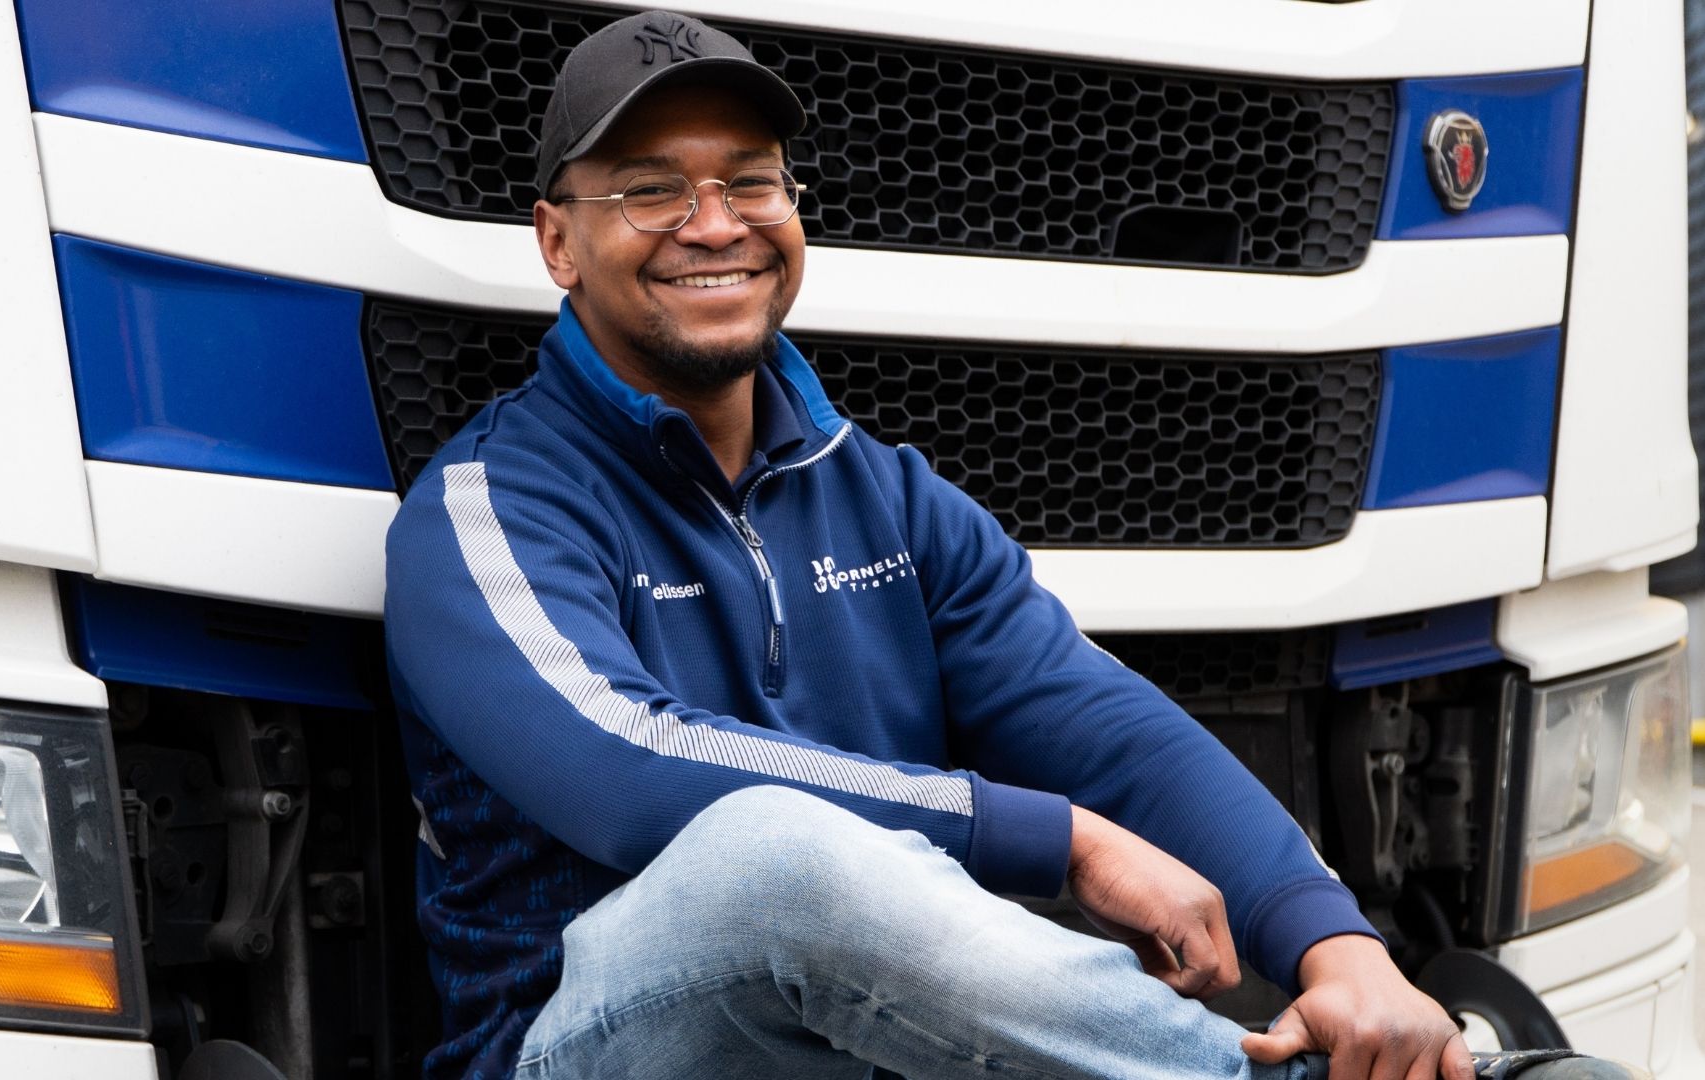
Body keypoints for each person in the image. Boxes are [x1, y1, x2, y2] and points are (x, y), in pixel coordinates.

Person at [383, 12, 1642, 1080]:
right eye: (651, 189)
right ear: (558, 241)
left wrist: (1337, 944)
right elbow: (632, 771)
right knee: (773, 855)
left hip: (866, 1043)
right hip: (576, 1047)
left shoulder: (884, 494)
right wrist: (1065, 841)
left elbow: (1097, 717)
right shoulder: (490, 510)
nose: (714, 224)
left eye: (751, 182)